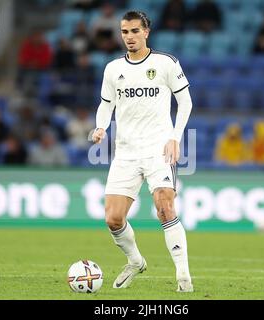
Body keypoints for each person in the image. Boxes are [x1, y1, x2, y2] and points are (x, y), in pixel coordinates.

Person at [91, 11, 193, 292]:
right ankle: (135, 261)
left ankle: (183, 276)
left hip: (158, 148)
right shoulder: (112, 69)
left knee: (164, 206)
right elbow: (105, 104)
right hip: (125, 152)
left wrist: (175, 137)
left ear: (146, 32)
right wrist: (100, 127)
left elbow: (185, 103)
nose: (129, 37)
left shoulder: (165, 63)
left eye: (135, 31)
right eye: (125, 32)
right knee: (113, 218)